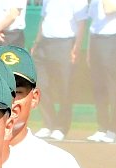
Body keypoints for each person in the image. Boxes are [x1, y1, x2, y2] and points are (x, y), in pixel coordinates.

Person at [31, 0, 89, 140]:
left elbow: (82, 24)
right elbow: (44, 19)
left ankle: (61, 127)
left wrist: (76, 48)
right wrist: (36, 42)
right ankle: (48, 124)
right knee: (41, 85)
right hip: (44, 44)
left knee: (64, 87)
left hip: (65, 44)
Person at [85, 0, 116, 143]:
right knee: (98, 88)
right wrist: (88, 50)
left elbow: (109, 9)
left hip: (112, 40)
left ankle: (114, 129)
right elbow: (92, 25)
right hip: (96, 40)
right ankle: (102, 127)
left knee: (113, 87)